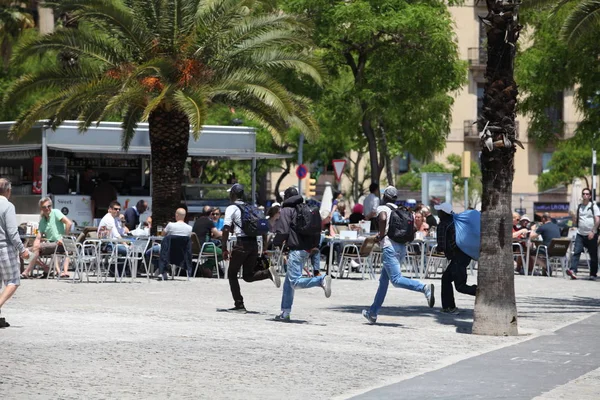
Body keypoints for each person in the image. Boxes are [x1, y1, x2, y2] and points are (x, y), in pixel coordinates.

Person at [362, 186, 434, 324]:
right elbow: (413, 228)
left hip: (390, 247)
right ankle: (372, 313)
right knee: (383, 282)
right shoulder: (402, 210)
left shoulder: (383, 208)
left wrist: (381, 235)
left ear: (384, 196)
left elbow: (382, 218)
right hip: (401, 248)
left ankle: (424, 288)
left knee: (395, 280)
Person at [273, 187, 331, 321]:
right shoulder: (303, 207)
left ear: (286, 197)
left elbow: (283, 231)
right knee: (288, 284)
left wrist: (276, 242)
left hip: (296, 250)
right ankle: (285, 312)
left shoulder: (287, 210)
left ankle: (320, 280)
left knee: (294, 282)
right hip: (306, 249)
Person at [222, 183, 279, 313]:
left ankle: (239, 305)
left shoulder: (232, 208)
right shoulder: (251, 208)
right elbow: (264, 228)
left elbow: (226, 228)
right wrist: (263, 248)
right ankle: (267, 273)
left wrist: (224, 247)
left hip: (241, 244)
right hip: (254, 244)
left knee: (232, 274)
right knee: (248, 275)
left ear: (233, 194)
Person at [435, 203, 477, 314]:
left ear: (444, 213)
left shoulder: (443, 225)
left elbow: (441, 245)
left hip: (457, 257)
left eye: (439, 211)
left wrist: (437, 249)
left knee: (460, 286)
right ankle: (448, 307)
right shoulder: (455, 221)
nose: (438, 213)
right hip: (464, 255)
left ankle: (483, 292)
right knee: (446, 279)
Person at [0, 179, 30, 328]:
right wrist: (22, 249)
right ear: (8, 191)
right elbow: (12, 232)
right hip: (4, 248)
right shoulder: (7, 206)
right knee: (13, 280)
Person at [21, 197, 73, 279]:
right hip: (50, 245)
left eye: (49, 206)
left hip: (59, 244)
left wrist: (64, 238)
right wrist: (35, 245)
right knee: (23, 252)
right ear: (41, 208)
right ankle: (45, 267)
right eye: (44, 207)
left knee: (37, 247)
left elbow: (69, 223)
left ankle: (26, 272)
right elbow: (38, 237)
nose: (47, 208)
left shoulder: (56, 212)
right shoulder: (42, 220)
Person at [568, 188, 600, 280]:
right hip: (580, 233)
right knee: (576, 252)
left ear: (590, 196)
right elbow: (578, 219)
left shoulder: (593, 206)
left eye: (587, 194)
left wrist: (593, 231)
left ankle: (593, 274)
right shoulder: (579, 207)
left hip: (591, 234)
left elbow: (598, 220)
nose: (585, 195)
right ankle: (573, 270)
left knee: (593, 255)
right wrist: (574, 223)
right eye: (583, 194)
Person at [97, 201, 130, 277]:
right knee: (128, 250)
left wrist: (122, 221)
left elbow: (121, 232)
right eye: (115, 209)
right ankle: (116, 271)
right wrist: (125, 245)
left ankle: (119, 271)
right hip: (105, 245)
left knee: (130, 248)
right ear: (110, 209)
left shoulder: (113, 218)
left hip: (110, 243)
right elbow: (117, 235)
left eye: (119, 209)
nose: (117, 211)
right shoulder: (109, 218)